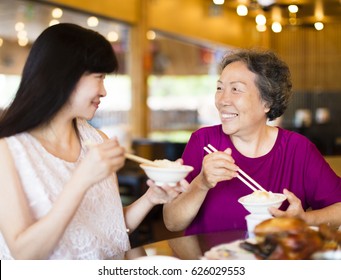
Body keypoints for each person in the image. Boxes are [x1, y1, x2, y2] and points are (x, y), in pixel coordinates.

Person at [0, 23, 186, 260]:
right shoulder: (9, 150)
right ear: (64, 77)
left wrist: (151, 198)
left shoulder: (96, 140)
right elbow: (24, 254)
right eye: (99, 77)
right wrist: (81, 180)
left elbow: (110, 229)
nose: (104, 91)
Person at [163, 49, 341, 236]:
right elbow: (172, 222)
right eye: (219, 88)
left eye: (236, 89)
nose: (222, 100)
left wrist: (305, 220)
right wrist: (202, 183)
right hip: (212, 263)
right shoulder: (204, 142)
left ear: (267, 102)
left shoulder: (298, 150)